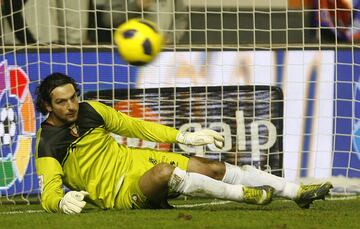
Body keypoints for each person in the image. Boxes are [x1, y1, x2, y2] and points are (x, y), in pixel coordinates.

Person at [35, 73, 333, 214]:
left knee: (214, 168)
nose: (71, 105)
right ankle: (247, 195)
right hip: (119, 193)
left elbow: (137, 126)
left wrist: (183, 136)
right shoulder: (48, 142)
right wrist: (60, 202)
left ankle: (296, 191)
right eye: (62, 102)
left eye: (73, 96)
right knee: (166, 173)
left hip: (139, 162)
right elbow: (48, 190)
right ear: (48, 106)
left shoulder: (92, 110)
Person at [99, 0, 188, 44]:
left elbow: (181, 18)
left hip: (162, 52)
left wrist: (170, 38)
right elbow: (108, 19)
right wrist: (136, 6)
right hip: (128, 51)